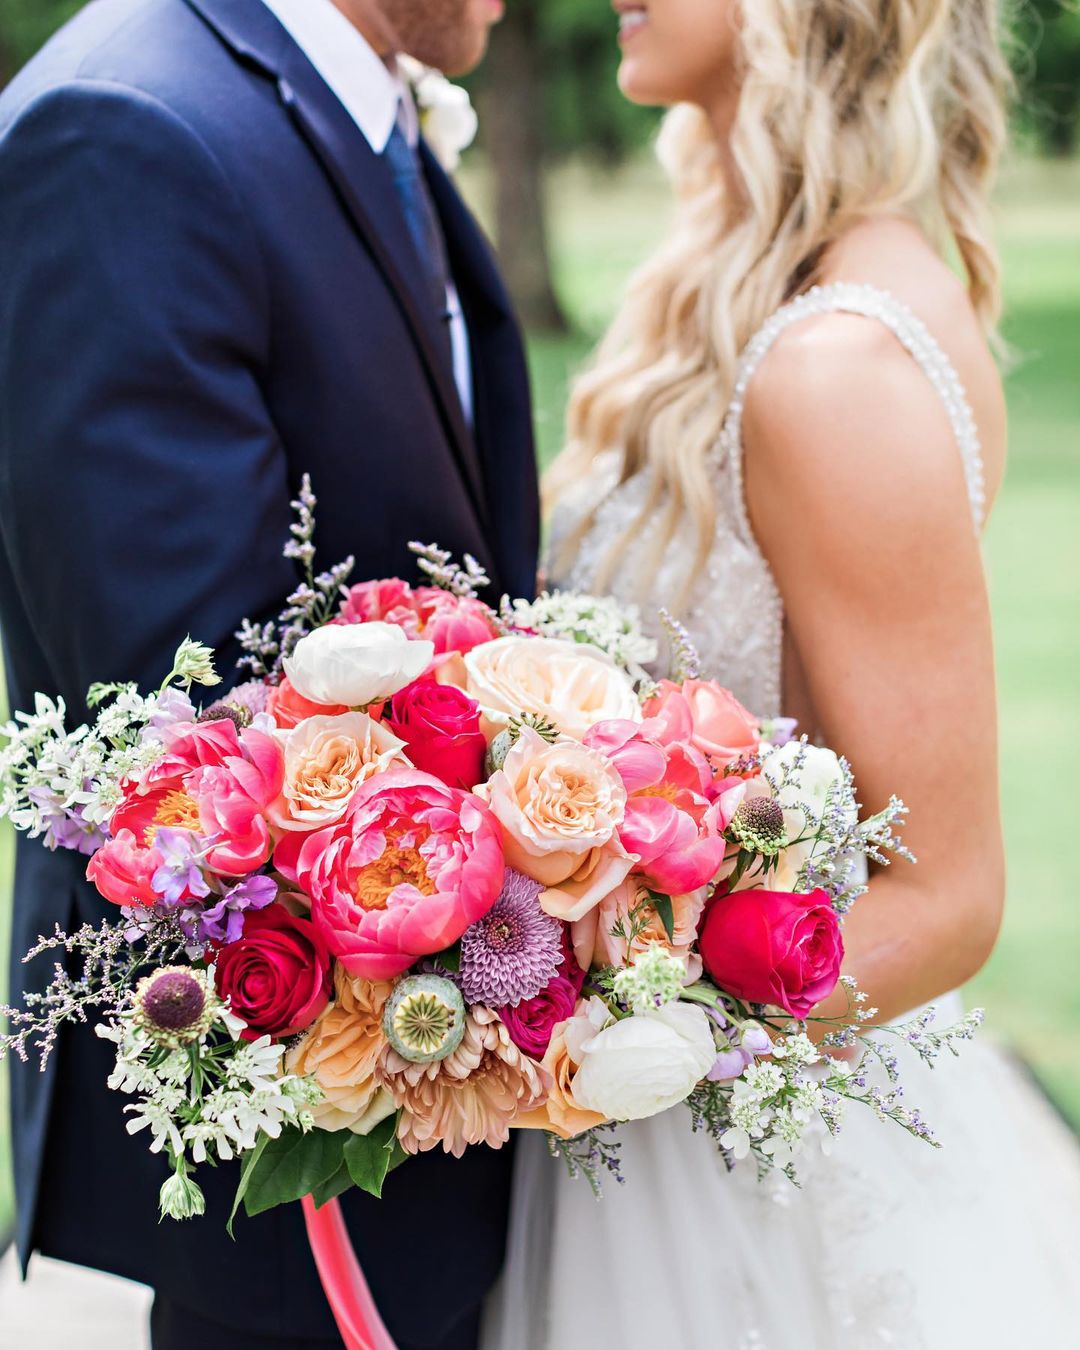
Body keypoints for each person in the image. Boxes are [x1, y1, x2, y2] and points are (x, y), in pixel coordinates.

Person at [483, 0, 1080, 1345]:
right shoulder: (735, 286)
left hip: (736, 1168)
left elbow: (951, 894)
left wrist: (613, 1052)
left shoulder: (839, 363)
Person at [0, 0, 536, 1347]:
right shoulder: (125, 126)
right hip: (307, 1133)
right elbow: (189, 718)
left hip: (454, 1109)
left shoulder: (353, 105)